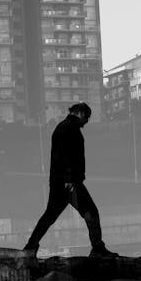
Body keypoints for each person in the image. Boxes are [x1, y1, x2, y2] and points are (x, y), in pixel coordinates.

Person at [23, 102, 115, 260]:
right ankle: (98, 249)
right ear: (79, 113)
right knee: (91, 213)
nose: (87, 121)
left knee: (49, 216)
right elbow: (65, 156)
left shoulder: (64, 128)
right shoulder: (68, 129)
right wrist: (69, 179)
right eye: (87, 117)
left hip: (62, 182)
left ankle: (30, 248)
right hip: (69, 183)